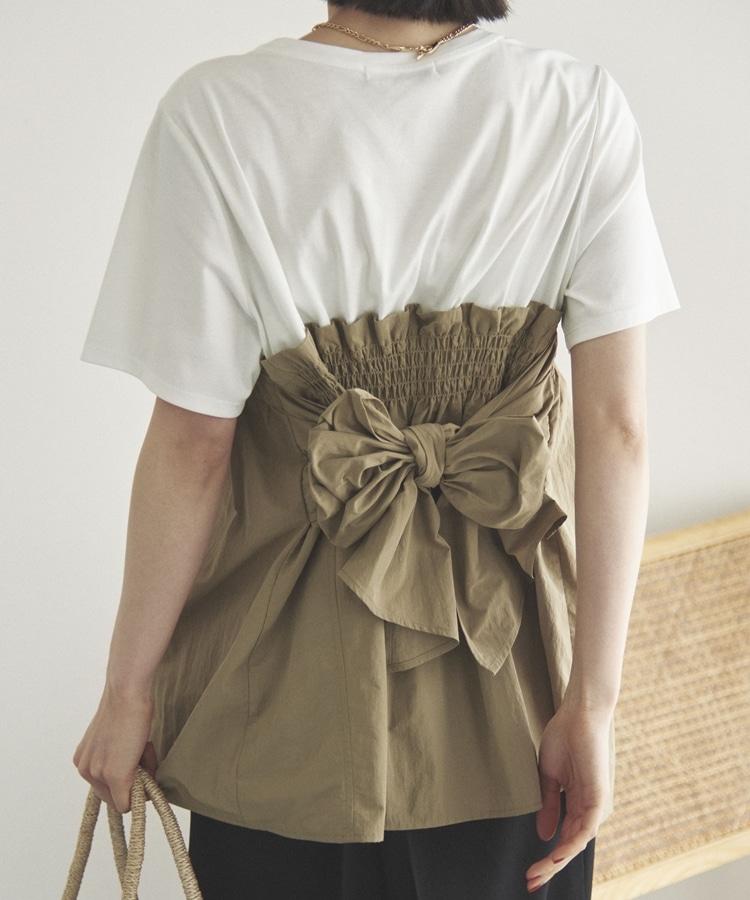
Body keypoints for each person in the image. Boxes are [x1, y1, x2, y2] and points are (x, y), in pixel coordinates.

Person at [74, 1, 679, 897]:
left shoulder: (218, 114)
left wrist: (126, 694)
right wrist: (593, 703)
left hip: (283, 703)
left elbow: (194, 443)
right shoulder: (577, 107)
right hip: (515, 698)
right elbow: (616, 425)